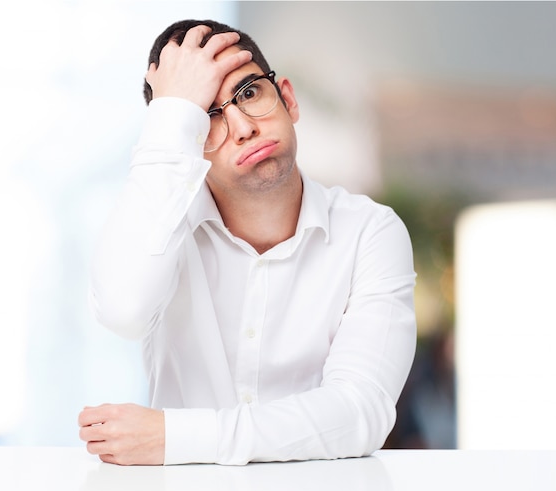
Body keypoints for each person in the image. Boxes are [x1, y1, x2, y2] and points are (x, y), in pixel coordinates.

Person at [78, 19, 416, 466]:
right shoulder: (160, 230)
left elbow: (358, 413)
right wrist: (172, 116)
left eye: (249, 93)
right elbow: (122, 311)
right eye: (207, 118)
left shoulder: (371, 232)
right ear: (187, 140)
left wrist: (174, 437)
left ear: (288, 99)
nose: (242, 127)